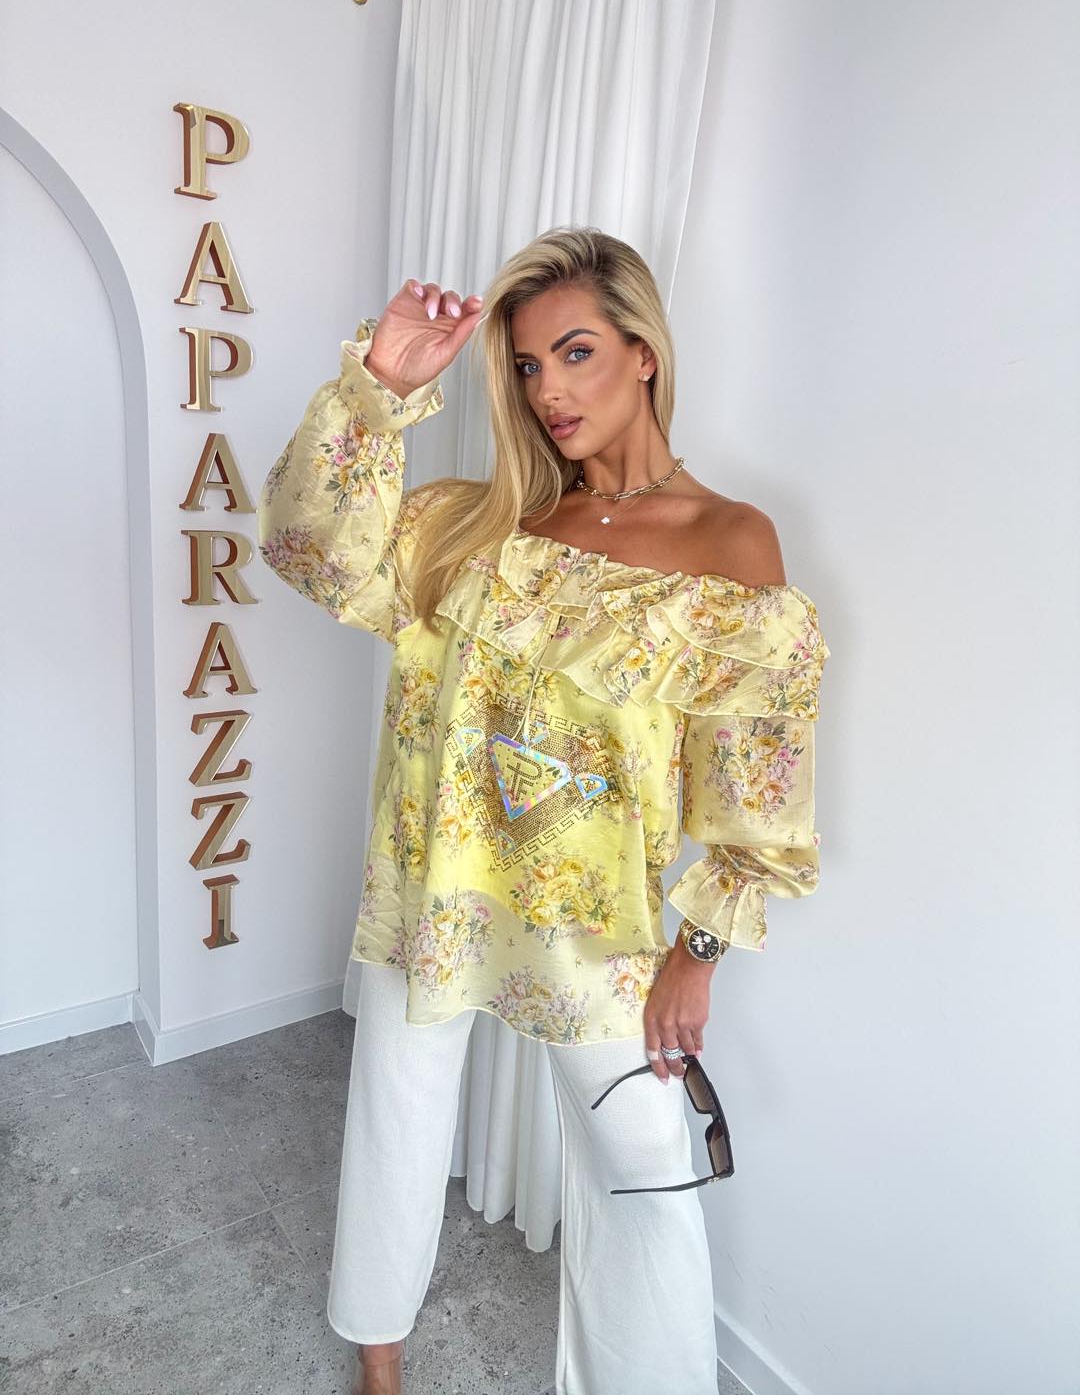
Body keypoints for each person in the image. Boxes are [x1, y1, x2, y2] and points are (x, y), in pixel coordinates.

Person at [257, 227, 830, 1395]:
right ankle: (378, 1356)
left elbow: (758, 777)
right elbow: (310, 549)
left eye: (575, 352)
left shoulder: (729, 542)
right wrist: (381, 388)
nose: (548, 390)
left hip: (596, 923)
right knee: (397, 1109)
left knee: (644, 1171)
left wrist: (698, 954)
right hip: (436, 882)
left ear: (643, 352)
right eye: (526, 365)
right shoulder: (474, 526)